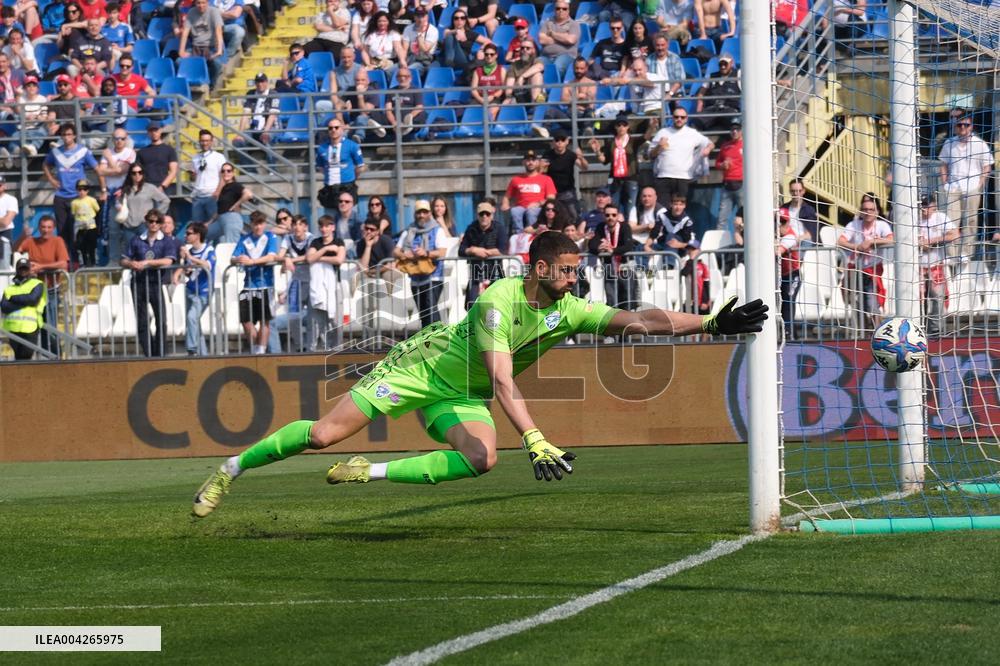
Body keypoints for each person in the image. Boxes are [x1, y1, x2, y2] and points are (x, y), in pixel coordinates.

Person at [190, 229, 766, 517]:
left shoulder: (570, 308)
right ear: (539, 268)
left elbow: (641, 320)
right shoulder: (498, 299)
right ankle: (230, 469)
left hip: (458, 393)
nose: (575, 278)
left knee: (483, 459)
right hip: (420, 369)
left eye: (577, 270)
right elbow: (501, 382)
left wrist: (712, 322)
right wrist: (536, 439)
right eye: (566, 271)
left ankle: (369, 472)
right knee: (321, 436)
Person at [43, 123, 105, 261]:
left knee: (79, 232)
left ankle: (82, 261)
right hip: (60, 197)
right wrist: (52, 180)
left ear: (75, 135)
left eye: (69, 134)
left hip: (78, 197)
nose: (66, 137)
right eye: (64, 135)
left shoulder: (83, 151)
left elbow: (98, 169)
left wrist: (103, 189)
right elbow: (45, 164)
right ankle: (67, 261)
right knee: (62, 232)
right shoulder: (56, 152)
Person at [121, 209, 178, 357]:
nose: (154, 224)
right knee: (142, 321)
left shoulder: (166, 241)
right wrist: (131, 263)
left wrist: (147, 262)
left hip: (155, 283)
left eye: (157, 222)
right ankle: (149, 353)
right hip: (138, 283)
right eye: (151, 221)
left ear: (160, 224)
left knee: (161, 320)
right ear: (146, 222)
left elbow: (168, 260)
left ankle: (160, 353)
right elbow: (123, 259)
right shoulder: (136, 239)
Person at [938, 111, 994, 262]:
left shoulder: (980, 144)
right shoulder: (949, 143)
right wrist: (945, 184)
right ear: (955, 127)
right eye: (960, 125)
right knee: (950, 221)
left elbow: (987, 166)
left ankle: (966, 253)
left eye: (966, 125)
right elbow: (943, 164)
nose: (962, 127)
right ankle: (951, 254)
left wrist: (979, 184)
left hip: (972, 187)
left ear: (971, 126)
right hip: (953, 188)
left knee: (970, 221)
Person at [837, 194, 894, 332]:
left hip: (872, 270)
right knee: (854, 302)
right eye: (865, 209)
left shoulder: (882, 225)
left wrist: (871, 242)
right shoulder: (853, 224)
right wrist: (857, 247)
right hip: (855, 269)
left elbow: (891, 239)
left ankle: (880, 333)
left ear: (877, 211)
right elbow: (840, 241)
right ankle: (863, 331)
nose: (868, 212)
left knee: (872, 304)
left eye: (871, 209)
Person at [15, 215, 68, 355]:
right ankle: (36, 357)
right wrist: (22, 236)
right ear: (39, 227)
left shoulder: (58, 241)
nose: (46, 230)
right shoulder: (31, 241)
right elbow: (16, 251)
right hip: (32, 291)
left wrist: (40, 267)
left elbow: (63, 264)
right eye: (43, 227)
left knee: (50, 326)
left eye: (49, 227)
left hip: (51, 291)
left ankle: (55, 356)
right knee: (31, 325)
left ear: (54, 228)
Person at [232, 211, 279, 355]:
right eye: (255, 223)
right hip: (248, 285)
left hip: (266, 284)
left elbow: (271, 256)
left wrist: (252, 261)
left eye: (260, 223)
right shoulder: (244, 239)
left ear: (264, 224)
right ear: (251, 224)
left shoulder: (271, 237)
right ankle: (255, 348)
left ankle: (260, 350)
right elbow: (232, 258)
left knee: (265, 320)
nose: (258, 227)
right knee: (245, 320)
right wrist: (239, 259)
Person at [395, 199, 447, 327]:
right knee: (423, 314)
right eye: (419, 212)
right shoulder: (409, 230)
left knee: (431, 311)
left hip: (434, 276)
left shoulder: (437, 230)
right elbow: (395, 251)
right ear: (415, 214)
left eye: (424, 212)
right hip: (415, 277)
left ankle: (439, 340)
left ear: (429, 213)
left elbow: (442, 252)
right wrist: (404, 254)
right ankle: (428, 342)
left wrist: (426, 253)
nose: (422, 215)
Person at [268, 215, 314, 353]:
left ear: (305, 226)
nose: (297, 227)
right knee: (294, 317)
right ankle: (301, 347)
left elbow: (309, 256)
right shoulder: (288, 238)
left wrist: (291, 260)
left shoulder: (311, 238)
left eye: (300, 224)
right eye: (295, 224)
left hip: (312, 281)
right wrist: (286, 258)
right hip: (297, 281)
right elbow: (278, 255)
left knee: (313, 317)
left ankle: (312, 348)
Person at [649, 107, 714, 203]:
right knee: (663, 211)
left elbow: (710, 143)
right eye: (676, 117)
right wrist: (659, 146)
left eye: (682, 117)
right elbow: (650, 155)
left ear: (686, 119)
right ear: (672, 118)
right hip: (663, 177)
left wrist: (708, 149)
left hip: (683, 178)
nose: (679, 119)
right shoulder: (663, 132)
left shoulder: (692, 133)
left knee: (679, 210)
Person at [916, 194, 958, 336]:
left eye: (926, 205)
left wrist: (933, 241)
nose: (923, 208)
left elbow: (954, 234)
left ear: (933, 206)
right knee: (919, 300)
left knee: (937, 299)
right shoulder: (913, 218)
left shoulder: (940, 217)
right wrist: (920, 245)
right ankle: (918, 329)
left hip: (935, 265)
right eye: (922, 205)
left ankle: (936, 331)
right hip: (916, 268)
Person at [306, 215, 346, 351]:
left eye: (327, 226)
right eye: (322, 226)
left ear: (333, 227)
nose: (324, 229)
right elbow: (310, 258)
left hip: (335, 285)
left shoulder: (339, 241)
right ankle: (324, 347)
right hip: (318, 287)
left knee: (335, 320)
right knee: (319, 321)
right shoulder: (315, 242)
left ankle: (337, 347)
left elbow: (339, 259)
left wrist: (319, 258)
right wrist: (324, 251)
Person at [174, 221, 215, 355]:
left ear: (197, 235)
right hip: (190, 290)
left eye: (189, 233)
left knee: (192, 318)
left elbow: (208, 265)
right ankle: (204, 354)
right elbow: (189, 272)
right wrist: (183, 263)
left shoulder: (209, 249)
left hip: (203, 292)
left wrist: (190, 257)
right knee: (194, 323)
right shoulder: (189, 251)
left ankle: (192, 349)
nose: (186, 236)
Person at [589, 115, 641, 220]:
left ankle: (630, 227)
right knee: (614, 205)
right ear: (615, 127)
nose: (621, 127)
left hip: (631, 177)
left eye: (624, 125)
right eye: (619, 125)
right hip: (615, 179)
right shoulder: (611, 142)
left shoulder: (633, 140)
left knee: (631, 206)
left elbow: (646, 137)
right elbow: (604, 160)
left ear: (628, 127)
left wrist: (652, 127)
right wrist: (597, 151)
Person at [459, 200, 508, 310]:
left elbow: (503, 249)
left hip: (496, 274)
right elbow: (461, 250)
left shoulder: (499, 228)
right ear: (477, 215)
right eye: (481, 214)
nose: (484, 217)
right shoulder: (471, 228)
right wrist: (472, 250)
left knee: (497, 306)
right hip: (476, 275)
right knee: (471, 305)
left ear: (492, 215)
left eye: (487, 214)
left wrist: (485, 252)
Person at [118, 161, 170, 256]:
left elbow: (165, 200)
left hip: (144, 225)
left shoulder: (149, 188)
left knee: (147, 252)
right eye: (134, 173)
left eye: (140, 172)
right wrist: (119, 206)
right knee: (130, 253)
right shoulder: (125, 189)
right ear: (130, 175)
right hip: (128, 225)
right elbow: (118, 203)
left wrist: (155, 216)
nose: (137, 175)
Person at [501, 150, 557, 234]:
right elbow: (507, 196)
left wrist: (538, 203)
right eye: (527, 160)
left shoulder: (546, 179)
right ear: (523, 162)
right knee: (515, 211)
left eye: (533, 160)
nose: (530, 162)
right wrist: (505, 204)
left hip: (538, 208)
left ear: (537, 162)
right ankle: (519, 236)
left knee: (531, 212)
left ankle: (533, 235)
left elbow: (551, 198)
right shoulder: (516, 179)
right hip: (520, 207)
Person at [1, 258, 46, 360]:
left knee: (26, 355)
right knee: (18, 358)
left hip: (30, 327)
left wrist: (13, 298)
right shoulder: (9, 288)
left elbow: (32, 299)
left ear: (29, 269)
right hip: (13, 328)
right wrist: (24, 303)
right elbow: (4, 307)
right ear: (17, 270)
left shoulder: (37, 284)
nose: (23, 271)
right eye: (21, 268)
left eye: (25, 268)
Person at [316, 118, 366, 204]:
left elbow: (360, 166)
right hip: (329, 189)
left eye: (336, 127)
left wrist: (351, 177)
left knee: (349, 216)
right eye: (330, 128)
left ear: (342, 129)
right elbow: (320, 167)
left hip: (347, 187)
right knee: (329, 216)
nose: (333, 130)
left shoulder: (352, 146)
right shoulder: (322, 148)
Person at [541, 129, 588, 220]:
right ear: (553, 142)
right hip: (551, 191)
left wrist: (581, 158)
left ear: (567, 142)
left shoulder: (571, 155)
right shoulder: (547, 155)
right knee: (551, 215)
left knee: (573, 214)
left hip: (567, 190)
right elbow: (540, 172)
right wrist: (542, 166)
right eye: (557, 140)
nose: (559, 143)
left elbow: (584, 168)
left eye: (562, 140)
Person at [234, 73, 280, 166]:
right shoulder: (250, 94)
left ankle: (272, 169)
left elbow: (272, 115)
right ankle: (250, 170)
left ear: (266, 82)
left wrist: (266, 131)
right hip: (254, 129)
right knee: (237, 142)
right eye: (258, 82)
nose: (260, 84)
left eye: (262, 81)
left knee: (267, 137)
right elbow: (245, 114)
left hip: (271, 128)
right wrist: (240, 134)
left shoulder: (273, 94)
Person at [178, 0, 224, 87]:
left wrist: (219, 50)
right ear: (195, 3)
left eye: (203, 3)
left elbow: (219, 31)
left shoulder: (214, 12)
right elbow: (185, 32)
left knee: (216, 64)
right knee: (179, 61)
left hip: (210, 47)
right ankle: (190, 83)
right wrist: (181, 51)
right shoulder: (191, 12)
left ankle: (211, 85)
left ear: (207, 2)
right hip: (195, 47)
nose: (201, 5)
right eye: (198, 3)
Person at [188, 129, 227, 225]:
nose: (204, 143)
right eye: (202, 141)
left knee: (214, 224)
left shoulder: (219, 157)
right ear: (199, 141)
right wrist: (192, 175)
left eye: (207, 141)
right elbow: (194, 177)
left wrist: (217, 193)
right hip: (198, 196)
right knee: (197, 226)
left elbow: (223, 176)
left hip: (212, 195)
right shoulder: (195, 158)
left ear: (211, 141)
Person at [694, 54, 741, 132]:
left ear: (731, 63)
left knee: (735, 124)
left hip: (729, 109)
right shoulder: (711, 76)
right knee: (696, 123)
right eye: (721, 64)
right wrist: (699, 108)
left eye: (725, 64)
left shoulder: (738, 75)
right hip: (712, 108)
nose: (723, 67)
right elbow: (701, 93)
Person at [209, 162, 253, 244]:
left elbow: (249, 194)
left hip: (232, 218)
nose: (226, 173)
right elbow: (220, 209)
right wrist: (209, 222)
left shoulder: (235, 185)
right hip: (221, 219)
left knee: (231, 247)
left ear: (233, 173)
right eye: (223, 171)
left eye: (228, 171)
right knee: (204, 235)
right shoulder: (223, 188)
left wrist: (236, 204)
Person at [440, 8, 489, 76]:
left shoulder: (470, 33)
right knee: (450, 36)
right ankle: (448, 62)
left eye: (462, 18)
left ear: (465, 20)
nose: (459, 20)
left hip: (462, 60)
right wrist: (456, 31)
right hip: (445, 58)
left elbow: (489, 42)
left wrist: (481, 50)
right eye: (456, 18)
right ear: (453, 20)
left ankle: (449, 62)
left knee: (450, 36)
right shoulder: (448, 30)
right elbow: (446, 34)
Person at [775, 208, 801, 339]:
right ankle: (790, 333)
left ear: (788, 222)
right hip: (780, 276)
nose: (779, 225)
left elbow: (777, 251)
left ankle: (789, 334)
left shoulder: (790, 236)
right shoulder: (775, 236)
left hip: (792, 275)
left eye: (782, 222)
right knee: (781, 305)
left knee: (788, 302)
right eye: (777, 221)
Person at [538, 0, 579, 80]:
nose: (561, 10)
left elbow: (571, 40)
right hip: (546, 56)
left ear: (568, 11)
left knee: (558, 66)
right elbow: (542, 40)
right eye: (558, 8)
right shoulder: (548, 23)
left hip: (566, 55)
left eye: (564, 9)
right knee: (536, 64)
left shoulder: (574, 24)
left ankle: (549, 89)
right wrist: (563, 38)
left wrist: (552, 34)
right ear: (554, 10)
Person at [714, 118, 743, 231]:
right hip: (727, 184)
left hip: (742, 184)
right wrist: (722, 165)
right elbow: (717, 163)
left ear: (741, 130)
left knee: (744, 217)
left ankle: (744, 243)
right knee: (722, 218)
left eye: (737, 129)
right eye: (732, 129)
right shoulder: (725, 146)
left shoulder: (747, 144)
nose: (734, 132)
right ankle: (720, 246)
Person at [137, 121, 179, 196]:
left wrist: (162, 187)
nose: (154, 133)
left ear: (160, 131)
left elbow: (173, 171)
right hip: (146, 188)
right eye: (151, 131)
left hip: (163, 189)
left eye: (156, 130)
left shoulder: (169, 150)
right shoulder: (141, 152)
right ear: (148, 133)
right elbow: (137, 172)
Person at [360, 11, 405, 78]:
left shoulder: (393, 34)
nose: (382, 23)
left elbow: (398, 48)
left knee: (389, 71)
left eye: (384, 21)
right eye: (379, 21)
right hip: (373, 62)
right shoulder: (370, 35)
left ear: (388, 22)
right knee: (362, 72)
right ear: (376, 22)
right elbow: (365, 51)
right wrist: (368, 64)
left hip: (389, 62)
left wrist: (402, 60)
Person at [385, 67, 425, 137]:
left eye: (405, 76)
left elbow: (419, 107)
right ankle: (400, 128)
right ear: (397, 78)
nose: (402, 79)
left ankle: (406, 127)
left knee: (422, 114)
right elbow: (388, 110)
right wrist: (394, 122)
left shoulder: (416, 90)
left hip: (410, 117)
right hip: (396, 117)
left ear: (410, 78)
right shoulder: (390, 91)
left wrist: (409, 117)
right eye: (400, 76)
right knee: (379, 114)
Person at [469, 44, 505, 121]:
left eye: (492, 54)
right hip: (479, 99)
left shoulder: (501, 70)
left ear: (496, 55)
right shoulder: (478, 71)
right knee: (471, 114)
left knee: (490, 114)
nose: (489, 56)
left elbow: (503, 88)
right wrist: (480, 99)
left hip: (494, 99)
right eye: (486, 54)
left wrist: (493, 97)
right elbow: (473, 89)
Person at [71, 178, 100, 266]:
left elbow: (98, 210)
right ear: (76, 190)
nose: (82, 191)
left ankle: (94, 263)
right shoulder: (74, 202)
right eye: (80, 189)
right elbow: (73, 213)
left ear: (88, 190)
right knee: (82, 247)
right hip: (80, 228)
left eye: (85, 189)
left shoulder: (92, 200)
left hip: (91, 227)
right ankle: (83, 263)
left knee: (92, 246)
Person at [780, 178, 818, 246]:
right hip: (786, 238)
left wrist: (799, 239)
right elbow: (777, 228)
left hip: (802, 241)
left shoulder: (808, 210)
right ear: (790, 191)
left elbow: (812, 233)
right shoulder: (783, 208)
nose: (796, 193)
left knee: (807, 242)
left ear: (803, 191)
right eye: (793, 191)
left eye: (799, 191)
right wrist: (780, 230)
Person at [589, 15, 628, 79]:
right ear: (609, 28)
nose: (615, 30)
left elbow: (626, 61)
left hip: (617, 74)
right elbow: (591, 59)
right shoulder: (602, 43)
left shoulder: (626, 45)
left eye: (618, 28)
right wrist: (598, 70)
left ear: (622, 28)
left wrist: (622, 73)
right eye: (613, 28)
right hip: (602, 73)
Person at [401, 6, 437, 75]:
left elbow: (425, 49)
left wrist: (419, 35)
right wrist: (403, 61)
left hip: (423, 61)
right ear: (414, 17)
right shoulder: (408, 28)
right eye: (418, 16)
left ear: (427, 17)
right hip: (410, 58)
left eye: (422, 16)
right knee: (390, 71)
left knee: (408, 71)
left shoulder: (433, 30)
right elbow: (405, 49)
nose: (420, 19)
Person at [0, 175, 18, 245]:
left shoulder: (11, 200)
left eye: (0, 185)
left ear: (5, 186)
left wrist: (4, 221)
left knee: (5, 255)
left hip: (4, 234)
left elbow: (6, 222)